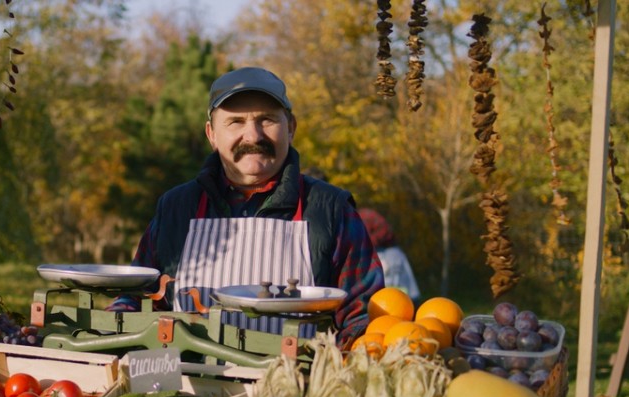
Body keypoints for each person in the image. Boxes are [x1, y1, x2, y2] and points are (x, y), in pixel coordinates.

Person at [108, 66, 383, 347]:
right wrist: (111, 329)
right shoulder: (176, 208)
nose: (253, 136)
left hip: (298, 375)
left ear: (291, 128)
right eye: (236, 122)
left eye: (267, 120)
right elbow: (137, 299)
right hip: (188, 375)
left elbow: (363, 317)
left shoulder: (331, 209)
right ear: (212, 134)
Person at [358, 208, 421, 304]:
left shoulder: (361, 217)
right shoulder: (364, 214)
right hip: (391, 254)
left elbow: (367, 239)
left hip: (384, 256)